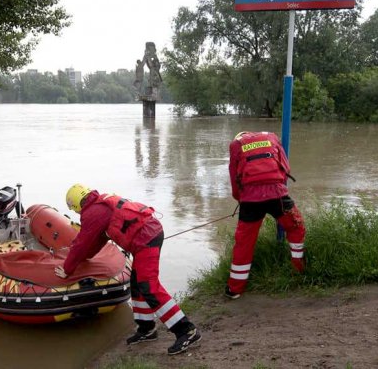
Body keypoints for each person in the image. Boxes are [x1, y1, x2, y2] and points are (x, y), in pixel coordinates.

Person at [54, 184, 201, 355]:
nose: (76, 213)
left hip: (146, 240)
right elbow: (95, 242)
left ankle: (187, 331)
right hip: (147, 237)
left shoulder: (93, 213)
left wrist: (67, 269)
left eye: (74, 209)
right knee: (137, 285)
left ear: (77, 204)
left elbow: (82, 243)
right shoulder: (99, 207)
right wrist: (83, 258)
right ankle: (147, 329)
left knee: (148, 286)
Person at [226, 131, 306, 299]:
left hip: (250, 200)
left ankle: (234, 289)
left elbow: (234, 177)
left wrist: (240, 199)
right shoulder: (272, 138)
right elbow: (285, 167)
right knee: (296, 228)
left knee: (244, 244)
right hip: (277, 195)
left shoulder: (236, 145)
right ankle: (299, 269)